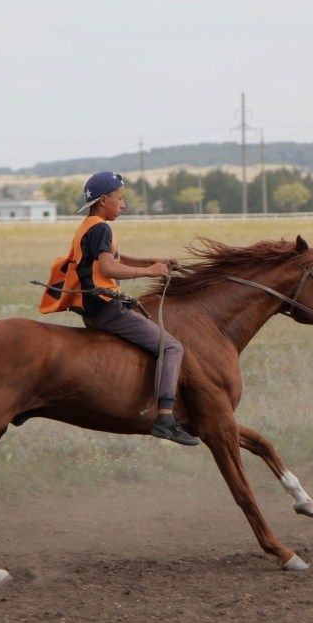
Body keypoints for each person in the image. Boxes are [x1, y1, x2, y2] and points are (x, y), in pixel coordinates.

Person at [39, 171, 200, 446]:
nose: (123, 204)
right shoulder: (102, 228)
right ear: (103, 200)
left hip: (93, 308)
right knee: (172, 347)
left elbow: (115, 256)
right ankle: (164, 418)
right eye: (120, 198)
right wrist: (150, 271)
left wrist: (154, 260)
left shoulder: (90, 224)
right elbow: (109, 267)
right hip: (106, 309)